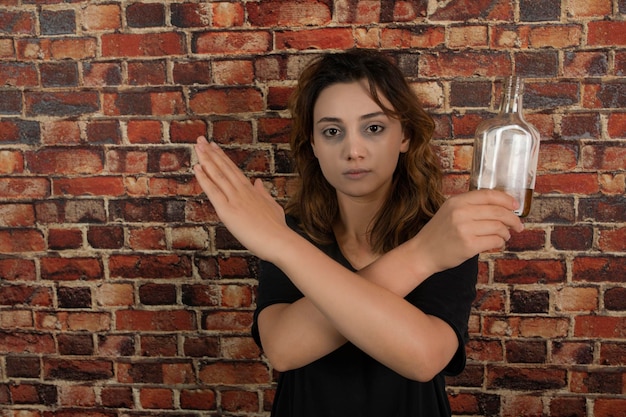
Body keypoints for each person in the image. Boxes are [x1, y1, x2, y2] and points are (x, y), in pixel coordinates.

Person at [193, 48, 523, 416]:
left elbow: (423, 356)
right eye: (332, 131)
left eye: (374, 128)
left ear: (406, 136)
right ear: (314, 145)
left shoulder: (445, 231)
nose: (353, 150)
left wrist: (281, 246)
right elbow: (284, 349)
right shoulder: (288, 233)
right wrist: (423, 256)